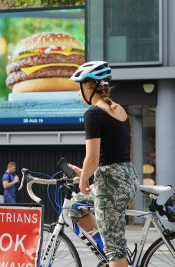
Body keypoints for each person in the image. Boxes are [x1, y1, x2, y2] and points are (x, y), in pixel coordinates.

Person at [68, 61, 139, 267]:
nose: (78, 93)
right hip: (126, 178)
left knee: (115, 252)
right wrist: (88, 173)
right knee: (76, 208)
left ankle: (115, 254)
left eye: (79, 87)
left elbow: (92, 157)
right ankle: (109, 243)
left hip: (111, 187)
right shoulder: (120, 110)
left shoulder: (93, 113)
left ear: (89, 87)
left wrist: (83, 179)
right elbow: (115, 153)